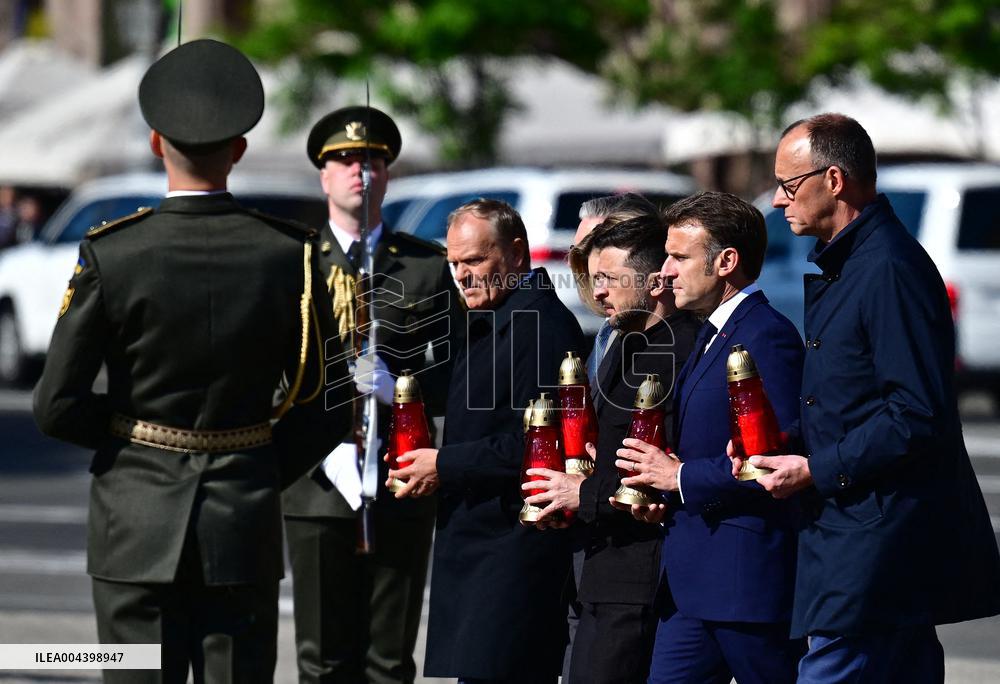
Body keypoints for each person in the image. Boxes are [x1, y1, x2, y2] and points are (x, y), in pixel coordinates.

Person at [32, 39, 351, 683]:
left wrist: (131, 440)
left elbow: (55, 404)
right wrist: (256, 460)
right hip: (244, 519)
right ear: (239, 147)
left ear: (156, 144)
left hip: (133, 520)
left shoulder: (114, 253)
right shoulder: (289, 253)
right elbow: (326, 400)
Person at [745, 113, 1000, 683]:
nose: (781, 201)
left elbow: (915, 413)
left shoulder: (886, 267)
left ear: (833, 180)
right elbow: (847, 402)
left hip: (873, 537)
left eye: (789, 186)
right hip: (864, 531)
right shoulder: (851, 263)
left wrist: (814, 469)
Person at [283, 106, 461, 684]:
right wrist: (317, 450)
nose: (360, 171)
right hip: (315, 485)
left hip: (401, 474)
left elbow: (463, 370)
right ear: (323, 175)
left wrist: (403, 392)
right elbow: (266, 373)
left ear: (387, 174)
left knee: (389, 658)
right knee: (322, 659)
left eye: (373, 161)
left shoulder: (426, 267)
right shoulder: (295, 264)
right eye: (345, 160)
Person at [389, 199, 586, 683]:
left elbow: (539, 448)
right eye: (455, 263)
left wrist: (444, 464)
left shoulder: (539, 325)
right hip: (481, 545)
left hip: (515, 551)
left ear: (517, 253)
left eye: (475, 261)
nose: (463, 275)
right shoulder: (492, 318)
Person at [615, 191, 806, 683]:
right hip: (693, 584)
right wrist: (655, 485)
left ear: (726, 262)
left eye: (679, 257)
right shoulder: (711, 331)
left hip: (743, 584)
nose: (666, 271)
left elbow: (775, 461)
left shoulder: (766, 334)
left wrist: (678, 477)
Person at [527, 213, 700, 683]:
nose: (597, 292)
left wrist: (577, 493)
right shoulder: (625, 343)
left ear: (652, 278)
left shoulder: (679, 350)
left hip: (636, 574)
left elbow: (652, 472)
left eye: (607, 279)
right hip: (599, 568)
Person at [560, 192, 663, 683]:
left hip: (630, 552)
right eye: (583, 261)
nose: (591, 281)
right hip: (591, 542)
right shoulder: (607, 332)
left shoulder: (656, 337)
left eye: (603, 265)